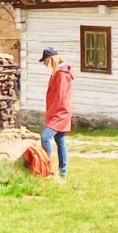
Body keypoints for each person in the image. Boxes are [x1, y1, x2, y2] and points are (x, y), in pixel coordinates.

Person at [39, 48, 74, 179]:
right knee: (60, 140)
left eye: (46, 61)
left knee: (45, 137)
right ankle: (62, 172)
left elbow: (59, 97)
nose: (45, 64)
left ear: (51, 59)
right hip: (58, 111)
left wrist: (50, 115)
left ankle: (46, 167)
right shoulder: (58, 73)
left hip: (60, 112)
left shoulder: (61, 74)